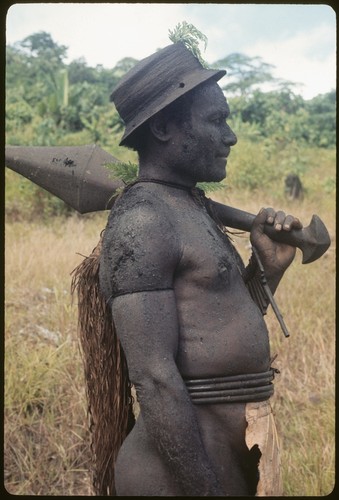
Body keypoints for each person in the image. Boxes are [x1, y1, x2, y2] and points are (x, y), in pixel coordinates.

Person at [98, 41, 302, 496]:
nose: (229, 136)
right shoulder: (144, 220)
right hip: (182, 478)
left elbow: (214, 322)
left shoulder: (190, 204)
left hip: (226, 461)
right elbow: (153, 376)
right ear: (166, 126)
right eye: (216, 120)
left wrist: (268, 270)